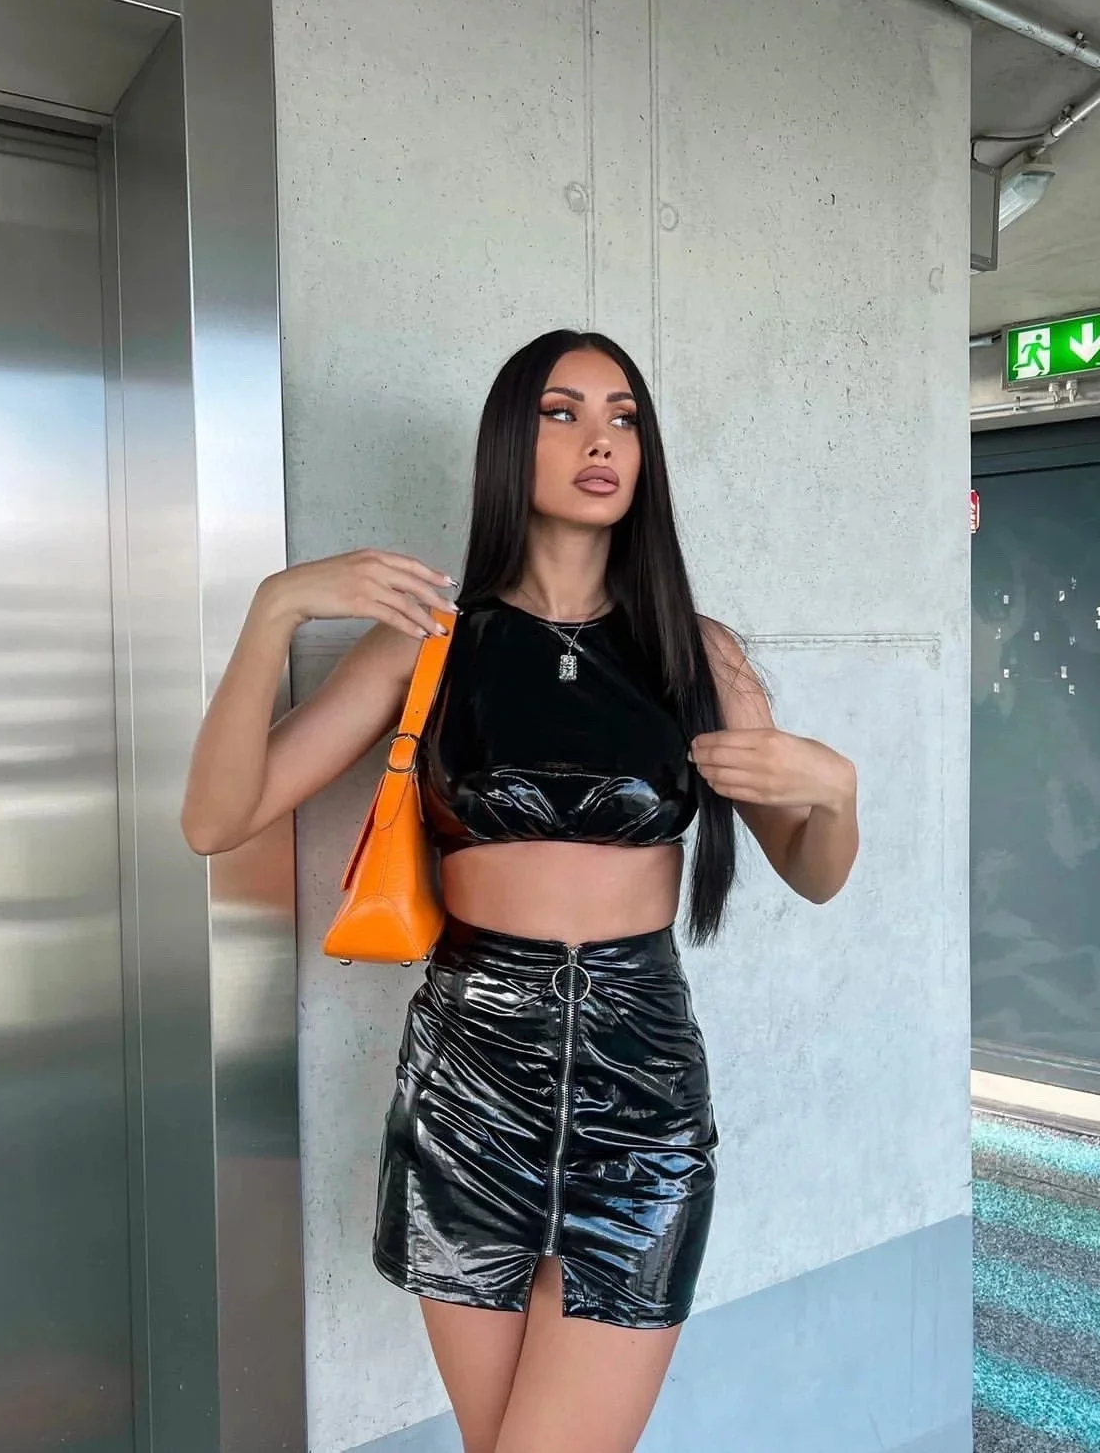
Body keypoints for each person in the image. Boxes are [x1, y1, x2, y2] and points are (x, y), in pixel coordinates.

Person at [181, 329, 859, 1453]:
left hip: (641, 1092)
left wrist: (835, 791)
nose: (601, 439)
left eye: (624, 416)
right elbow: (217, 818)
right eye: (562, 412)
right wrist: (274, 608)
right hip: (469, 1085)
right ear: (510, 440)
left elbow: (815, 872)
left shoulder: (698, 655)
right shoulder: (432, 646)